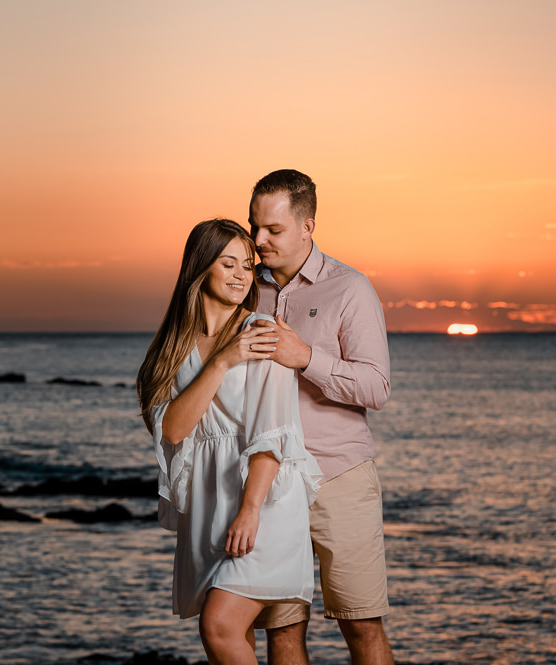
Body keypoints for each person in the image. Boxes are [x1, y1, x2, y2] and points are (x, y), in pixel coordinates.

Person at [137, 219, 323, 665]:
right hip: (208, 503)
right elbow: (173, 430)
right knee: (236, 633)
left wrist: (251, 510)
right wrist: (221, 362)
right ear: (201, 268)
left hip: (264, 500)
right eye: (229, 263)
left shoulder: (262, 330)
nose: (243, 275)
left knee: (219, 626)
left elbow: (272, 434)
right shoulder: (173, 347)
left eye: (248, 264)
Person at [247, 169, 394, 665]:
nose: (259, 240)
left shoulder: (350, 289)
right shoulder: (247, 289)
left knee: (362, 625)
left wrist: (306, 358)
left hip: (338, 477)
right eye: (255, 227)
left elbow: (376, 387)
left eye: (273, 229)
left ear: (308, 226)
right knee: (282, 632)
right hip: (270, 484)